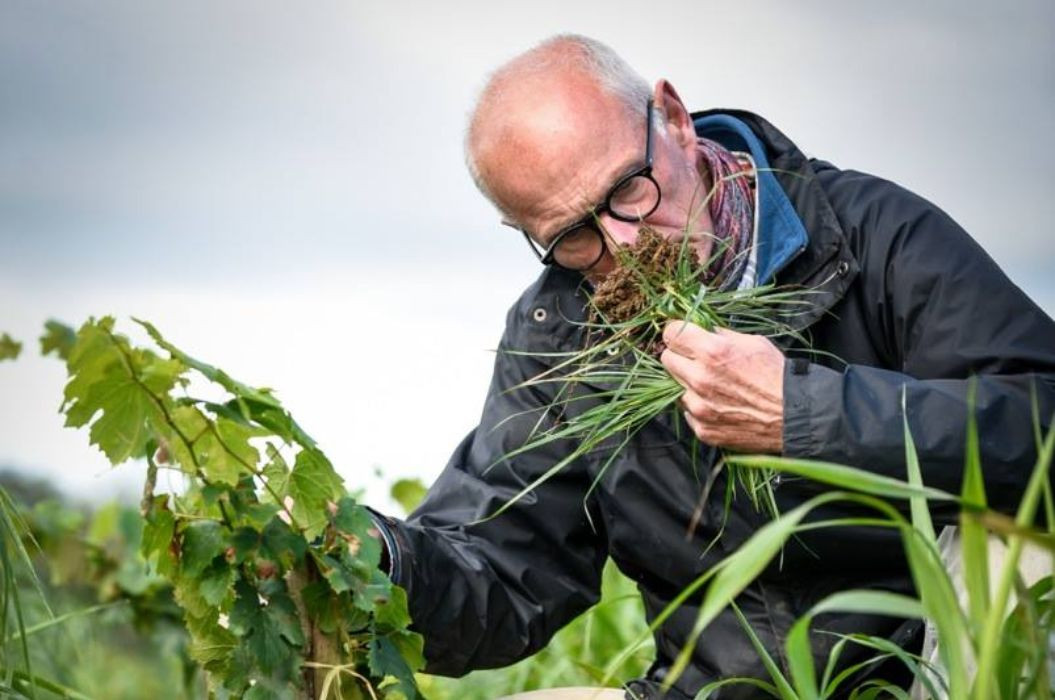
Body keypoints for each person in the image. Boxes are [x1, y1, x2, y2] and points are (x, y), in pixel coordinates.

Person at [368, 34, 1055, 699]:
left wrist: (803, 414)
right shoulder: (556, 334)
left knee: (1021, 555)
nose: (626, 244)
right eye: (573, 235)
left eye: (630, 190)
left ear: (671, 118)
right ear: (525, 233)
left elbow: (1039, 418)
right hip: (712, 693)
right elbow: (504, 573)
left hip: (924, 675)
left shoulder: (871, 236)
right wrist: (374, 554)